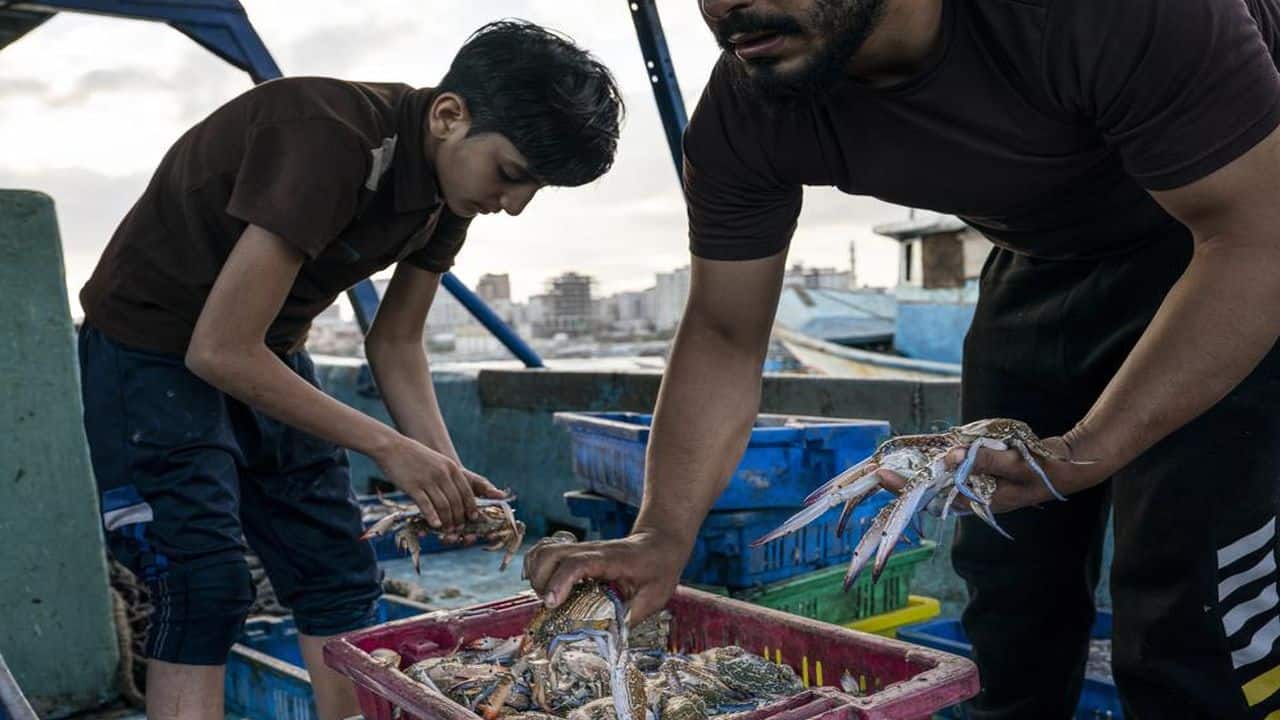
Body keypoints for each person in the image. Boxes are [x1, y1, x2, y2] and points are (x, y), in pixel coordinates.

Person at [524, 0, 1280, 717]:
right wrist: (662, 533)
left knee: (1195, 610)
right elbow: (724, 332)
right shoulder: (752, 96)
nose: (723, 7)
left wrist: (1083, 453)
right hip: (1038, 257)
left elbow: (1259, 236)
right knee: (1006, 589)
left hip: (1236, 239)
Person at [78, 20, 622, 720]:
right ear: (449, 115)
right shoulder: (328, 138)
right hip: (148, 352)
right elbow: (217, 350)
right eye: (512, 175)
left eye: (534, 189)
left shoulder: (448, 192)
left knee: (337, 571)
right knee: (202, 584)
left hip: (266, 351)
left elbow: (395, 343)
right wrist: (391, 447)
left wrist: (448, 477)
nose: (512, 204)